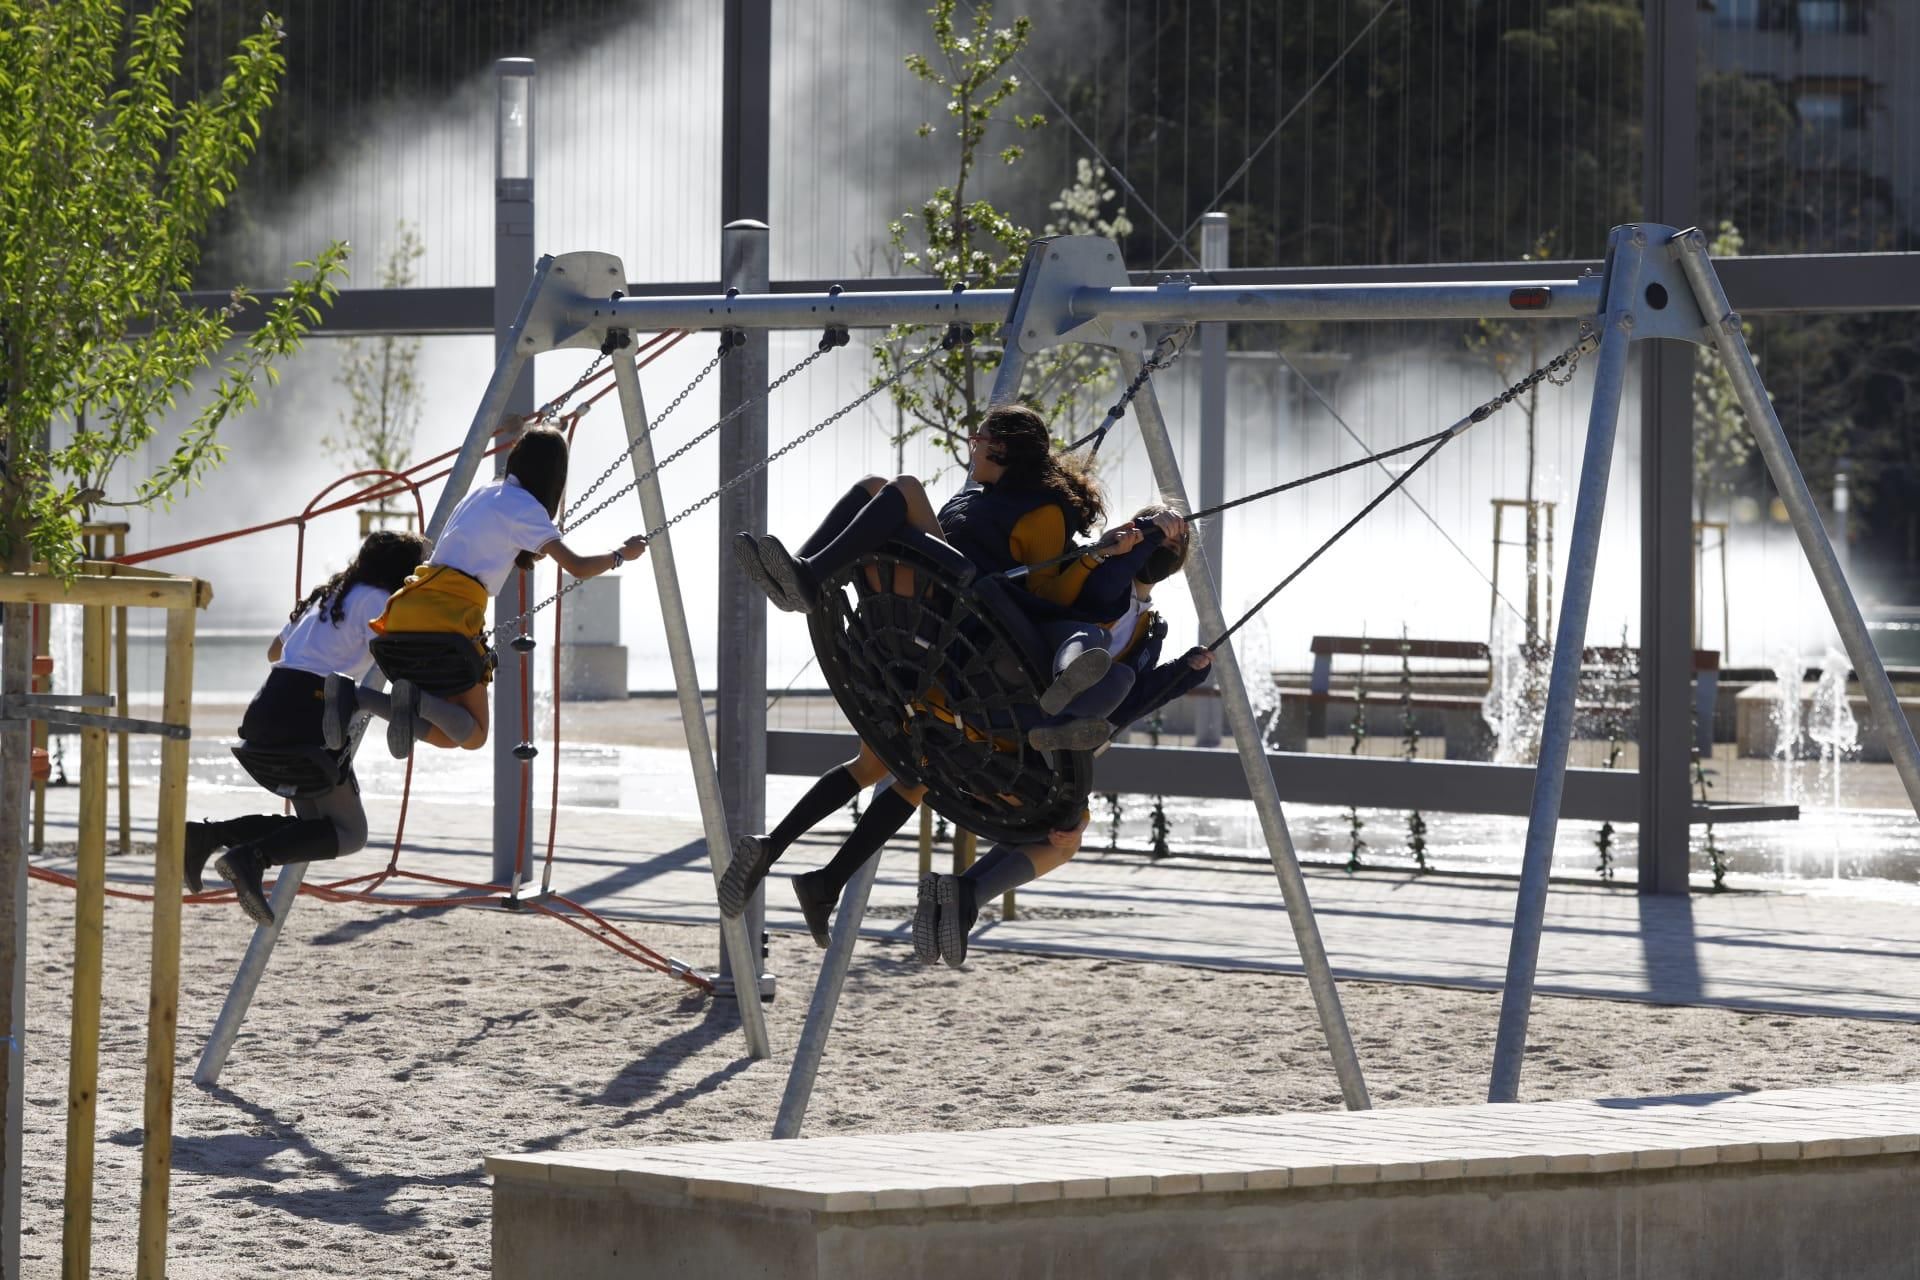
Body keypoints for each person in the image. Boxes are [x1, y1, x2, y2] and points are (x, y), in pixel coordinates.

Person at [722, 403, 1144, 944]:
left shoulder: (1045, 513)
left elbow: (1045, 595)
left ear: (1002, 449)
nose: (971, 445)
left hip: (959, 626)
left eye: (979, 437)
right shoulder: (978, 495)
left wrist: (1088, 560)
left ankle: (806, 576)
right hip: (925, 630)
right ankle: (806, 870)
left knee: (899, 487)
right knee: (903, 768)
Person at [914, 501, 1217, 968]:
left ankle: (965, 892)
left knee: (1063, 836)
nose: (1167, 542)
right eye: (1159, 532)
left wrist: (1184, 673)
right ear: (1138, 535)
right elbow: (1104, 591)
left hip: (1063, 739)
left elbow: (1132, 706)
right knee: (1105, 670)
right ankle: (1060, 709)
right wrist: (1147, 537)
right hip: (1019, 703)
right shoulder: (1101, 572)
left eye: (1176, 541)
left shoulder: (1152, 628)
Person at [322, 425, 648, 758]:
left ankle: (357, 695)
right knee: (475, 734)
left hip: (406, 609)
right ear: (555, 476)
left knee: (452, 732)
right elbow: (576, 567)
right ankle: (408, 699)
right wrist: (622, 554)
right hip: (449, 620)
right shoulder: (527, 509)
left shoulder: (484, 492)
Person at [185, 530, 428, 926]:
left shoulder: (327, 596)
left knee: (313, 829)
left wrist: (331, 648)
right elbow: (397, 659)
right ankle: (249, 858)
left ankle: (208, 837)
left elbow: (274, 652)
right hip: (309, 716)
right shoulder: (381, 602)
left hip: (264, 713)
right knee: (351, 834)